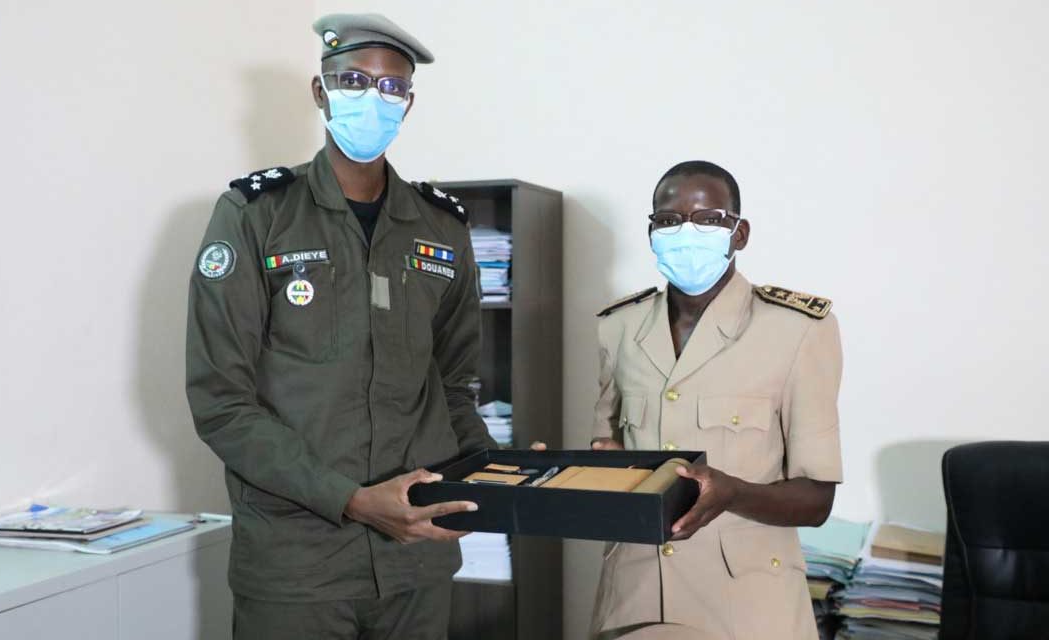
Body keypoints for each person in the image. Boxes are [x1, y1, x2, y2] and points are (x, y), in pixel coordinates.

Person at [185, 13, 495, 640]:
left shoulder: (441, 228)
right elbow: (222, 403)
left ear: (407, 106)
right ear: (321, 91)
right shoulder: (255, 216)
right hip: (298, 566)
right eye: (354, 79)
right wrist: (351, 499)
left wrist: (497, 469)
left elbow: (453, 385)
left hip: (416, 559)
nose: (372, 98)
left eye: (390, 87)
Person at [538, 161, 842, 639]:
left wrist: (733, 492)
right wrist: (557, 474)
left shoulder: (798, 330)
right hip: (634, 593)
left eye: (709, 219)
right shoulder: (618, 327)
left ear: (739, 234)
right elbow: (607, 453)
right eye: (669, 220)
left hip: (747, 606)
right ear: (651, 232)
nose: (686, 232)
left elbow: (817, 500)